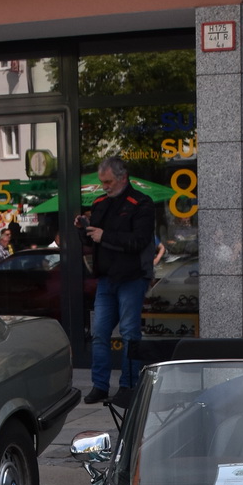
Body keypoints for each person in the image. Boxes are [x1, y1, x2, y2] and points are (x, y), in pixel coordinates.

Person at [80, 156, 155, 403]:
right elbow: (94, 240)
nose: (105, 187)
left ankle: (129, 386)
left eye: (108, 182)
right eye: (102, 182)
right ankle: (100, 385)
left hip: (132, 277)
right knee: (100, 333)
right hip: (106, 278)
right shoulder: (101, 203)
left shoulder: (141, 203)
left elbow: (139, 241)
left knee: (129, 333)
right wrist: (84, 229)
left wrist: (105, 236)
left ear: (123, 178)